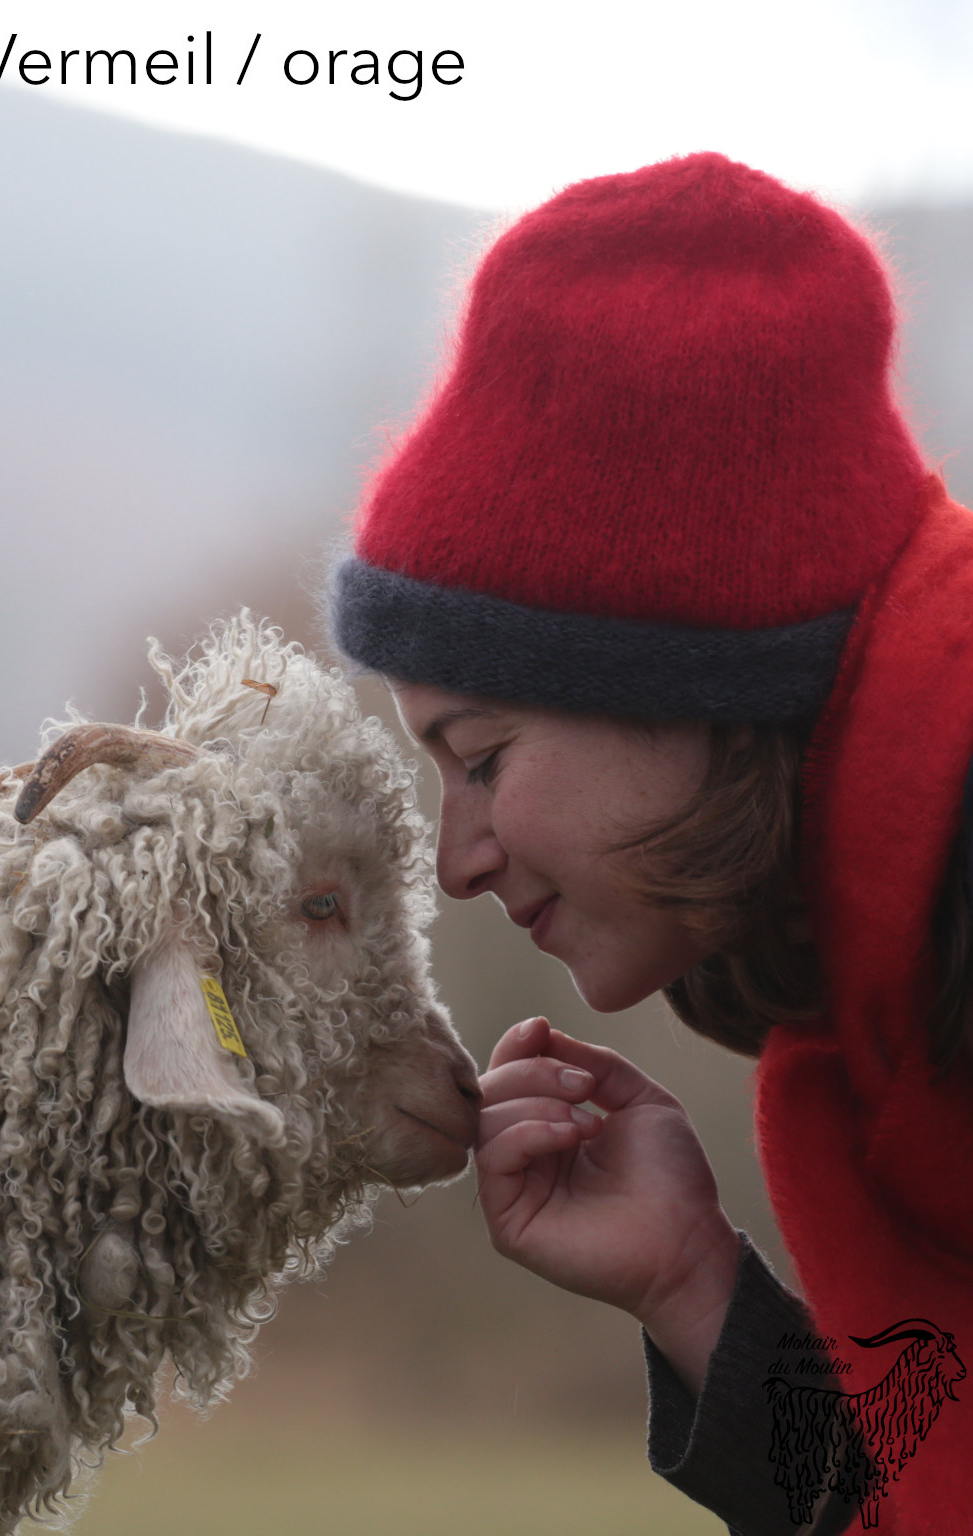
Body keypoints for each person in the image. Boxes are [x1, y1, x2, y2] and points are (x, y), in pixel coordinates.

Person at [329, 153, 973, 1536]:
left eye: (483, 757)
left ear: (685, 683)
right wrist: (696, 1288)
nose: (456, 861)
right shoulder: (888, 1005)